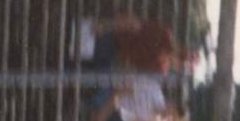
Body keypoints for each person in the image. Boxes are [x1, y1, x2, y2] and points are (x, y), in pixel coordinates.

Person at [69, 14, 201, 76]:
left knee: (73, 57)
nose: (178, 61)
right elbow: (134, 24)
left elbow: (133, 69)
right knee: (72, 37)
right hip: (113, 38)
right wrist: (106, 25)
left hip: (112, 57)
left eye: (181, 65)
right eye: (182, 56)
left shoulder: (161, 69)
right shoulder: (164, 36)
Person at [77, 78, 189, 121]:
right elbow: (123, 88)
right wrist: (106, 110)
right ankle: (80, 106)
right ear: (172, 106)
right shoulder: (154, 91)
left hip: (117, 117)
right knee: (102, 99)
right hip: (112, 97)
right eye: (172, 117)